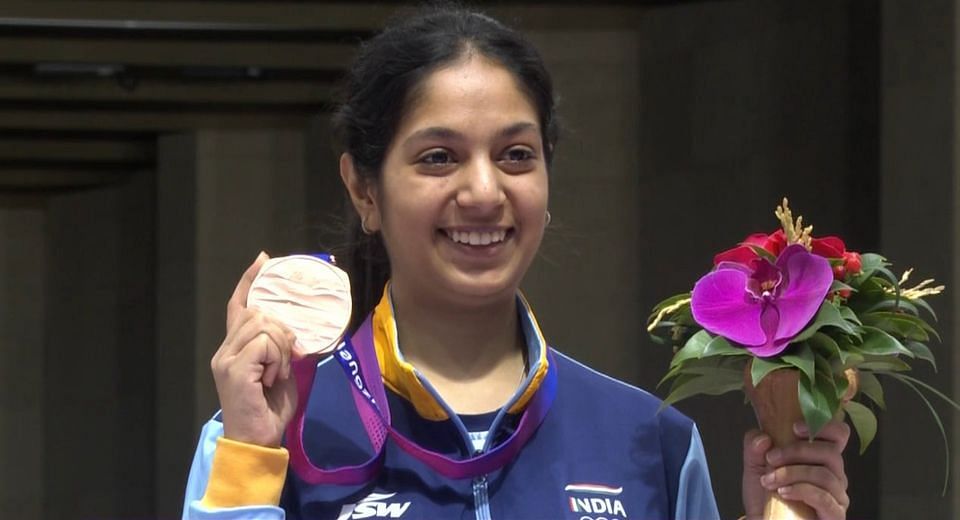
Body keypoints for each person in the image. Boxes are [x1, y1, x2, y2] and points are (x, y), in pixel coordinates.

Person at [183, 5, 850, 519]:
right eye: (438, 157)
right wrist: (251, 457)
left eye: (516, 155)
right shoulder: (270, 431)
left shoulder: (654, 443)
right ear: (364, 189)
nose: (483, 192)